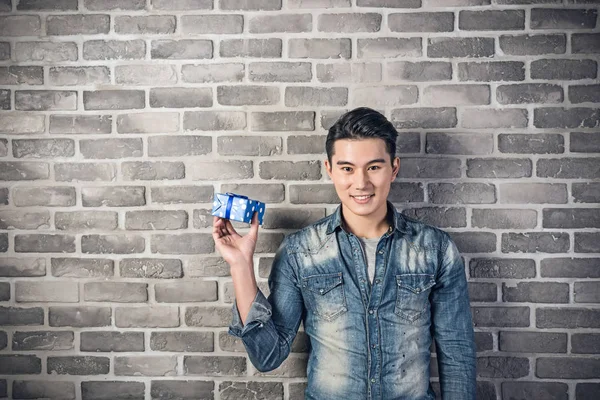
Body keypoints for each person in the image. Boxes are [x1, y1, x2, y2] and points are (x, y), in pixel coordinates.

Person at [212, 107, 476, 400]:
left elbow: (457, 355)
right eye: (347, 168)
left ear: (394, 168)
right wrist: (240, 265)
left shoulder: (436, 250)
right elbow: (268, 356)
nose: (361, 183)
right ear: (330, 169)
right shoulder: (300, 252)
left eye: (374, 167)